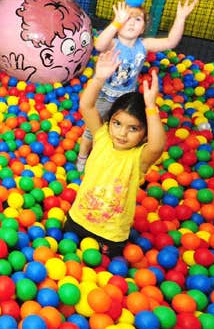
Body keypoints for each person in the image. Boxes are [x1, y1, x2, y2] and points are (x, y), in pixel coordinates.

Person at [76, 0, 198, 171]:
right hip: (104, 94)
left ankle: (111, 158)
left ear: (143, 28)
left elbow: (171, 41)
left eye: (137, 19)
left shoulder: (144, 44)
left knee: (121, 130)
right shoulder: (113, 42)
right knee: (93, 127)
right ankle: (82, 157)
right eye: (126, 19)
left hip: (126, 99)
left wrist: (180, 18)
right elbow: (99, 44)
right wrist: (116, 23)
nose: (131, 23)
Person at [64, 49, 166, 259]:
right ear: (109, 121)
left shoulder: (138, 158)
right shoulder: (101, 137)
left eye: (133, 128)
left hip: (110, 235)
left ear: (145, 134)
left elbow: (157, 147)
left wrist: (151, 108)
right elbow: (86, 105)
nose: (122, 133)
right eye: (117, 124)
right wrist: (99, 78)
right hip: (78, 220)